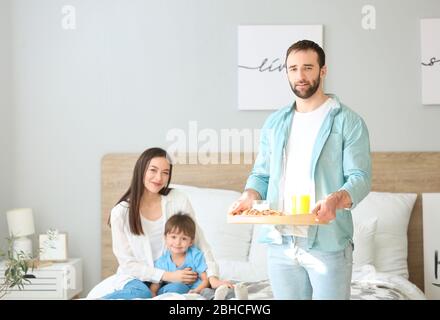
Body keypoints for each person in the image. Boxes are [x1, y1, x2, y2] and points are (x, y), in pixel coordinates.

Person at [228, 40, 371, 300]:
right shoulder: (275, 122)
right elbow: (261, 175)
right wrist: (249, 194)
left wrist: (335, 199)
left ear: (323, 71)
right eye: (293, 69)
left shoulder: (348, 121)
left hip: (328, 242)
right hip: (280, 241)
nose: (300, 76)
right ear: (286, 73)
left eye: (307, 67)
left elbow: (360, 178)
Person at [91, 147, 231, 299]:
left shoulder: (178, 199)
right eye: (153, 170)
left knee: (179, 289)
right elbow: (128, 264)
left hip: (170, 280)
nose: (159, 178)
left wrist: (213, 277)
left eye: (165, 172)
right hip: (136, 278)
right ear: (141, 170)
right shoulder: (121, 212)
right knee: (141, 292)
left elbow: (199, 242)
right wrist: (168, 275)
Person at [149, 213, 210, 296]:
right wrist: (153, 295)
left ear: (191, 242)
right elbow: (154, 287)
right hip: (173, 290)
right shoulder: (162, 262)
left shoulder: (195, 255)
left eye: (184, 238)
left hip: (196, 290)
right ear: (165, 238)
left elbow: (205, 280)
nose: (178, 243)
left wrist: (196, 291)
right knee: (177, 287)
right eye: (173, 237)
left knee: (208, 291)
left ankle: (222, 294)